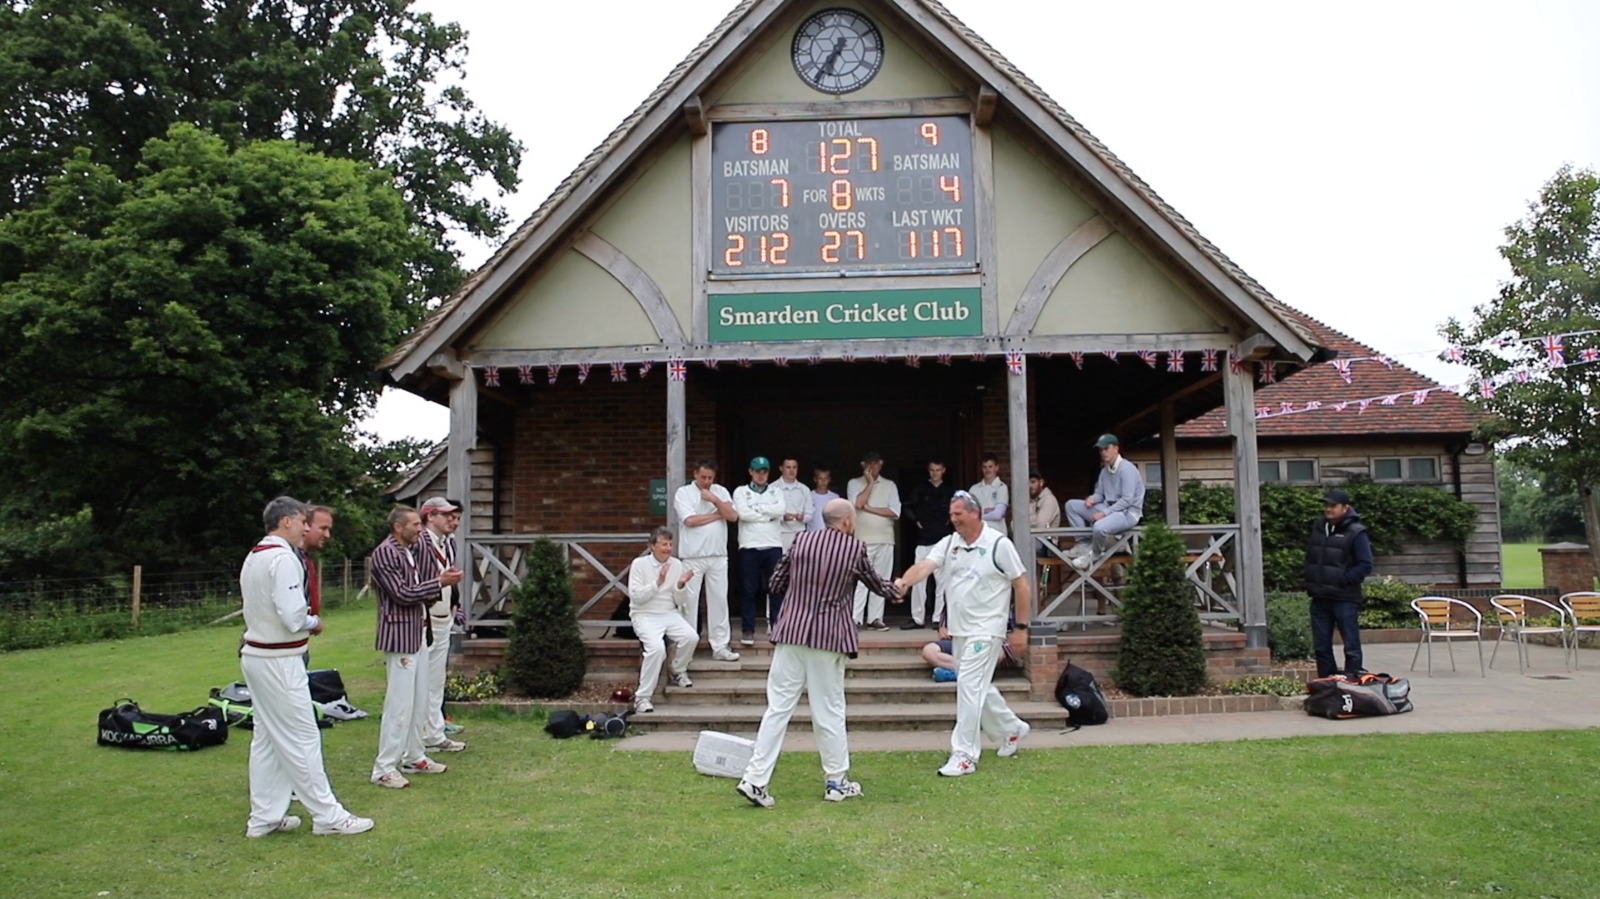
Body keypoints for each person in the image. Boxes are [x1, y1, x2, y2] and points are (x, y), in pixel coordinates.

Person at [735, 499, 899, 809]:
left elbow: (775, 583)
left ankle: (755, 779)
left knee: (777, 709)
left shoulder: (800, 540)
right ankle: (836, 782)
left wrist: (799, 602)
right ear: (848, 521)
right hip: (829, 637)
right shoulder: (854, 548)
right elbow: (878, 586)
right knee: (829, 711)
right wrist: (900, 588)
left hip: (791, 634)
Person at [238, 495, 372, 837]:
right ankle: (328, 816)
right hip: (277, 659)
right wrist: (314, 622)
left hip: (258, 656)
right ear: (286, 522)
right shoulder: (282, 558)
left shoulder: (255, 555)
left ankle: (264, 817)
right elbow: (293, 615)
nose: (305, 529)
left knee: (267, 738)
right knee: (303, 737)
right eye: (301, 522)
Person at [895, 492, 1031, 777]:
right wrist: (904, 582)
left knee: (968, 684)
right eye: (952, 513)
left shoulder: (998, 544)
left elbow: (1022, 586)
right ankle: (1012, 728)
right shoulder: (949, 543)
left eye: (958, 514)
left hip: (988, 629)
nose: (953, 519)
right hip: (959, 630)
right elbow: (925, 566)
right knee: (976, 685)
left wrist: (1020, 629)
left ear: (974, 513)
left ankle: (965, 755)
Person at [369, 506, 462, 789]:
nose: (419, 530)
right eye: (414, 525)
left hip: (420, 632)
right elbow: (402, 594)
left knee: (420, 699)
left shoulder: (410, 550)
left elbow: (418, 584)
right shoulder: (386, 552)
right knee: (399, 704)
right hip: (399, 634)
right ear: (398, 527)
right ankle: (384, 767)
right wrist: (438, 583)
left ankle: (414, 755)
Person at [673, 460, 742, 662]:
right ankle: (686, 646)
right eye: (703, 477)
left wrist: (714, 500)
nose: (706, 481)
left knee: (719, 601)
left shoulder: (720, 491)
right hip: (692, 557)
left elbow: (732, 516)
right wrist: (716, 515)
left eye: (710, 478)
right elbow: (690, 521)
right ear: (695, 474)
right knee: (689, 603)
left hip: (718, 556)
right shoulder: (683, 492)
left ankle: (720, 646)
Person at [1303, 488, 1374, 678]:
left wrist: (1343, 580)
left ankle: (1351, 680)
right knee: (1321, 646)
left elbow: (1365, 564)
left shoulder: (1356, 532)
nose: (1328, 509)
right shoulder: (1319, 528)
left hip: (1345, 598)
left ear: (1345, 507)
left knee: (1350, 644)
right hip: (1320, 597)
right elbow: (1312, 557)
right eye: (1326, 505)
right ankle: (1327, 682)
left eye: (1333, 506)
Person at [627, 527, 699, 713]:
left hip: (669, 613)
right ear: (652, 546)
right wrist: (657, 583)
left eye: (670, 544)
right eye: (663, 544)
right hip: (644, 614)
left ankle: (678, 669)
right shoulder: (639, 564)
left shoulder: (676, 564)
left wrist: (681, 585)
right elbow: (636, 597)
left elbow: (680, 601)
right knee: (656, 650)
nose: (668, 548)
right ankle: (642, 698)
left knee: (691, 637)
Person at [417, 496, 467, 755]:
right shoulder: (420, 541)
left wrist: (456, 606)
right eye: (445, 515)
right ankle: (422, 735)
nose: (452, 520)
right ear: (430, 516)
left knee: (436, 681)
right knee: (422, 680)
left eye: (454, 516)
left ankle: (435, 733)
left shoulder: (448, 543)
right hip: (424, 619)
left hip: (443, 615)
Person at [1064, 434, 1145, 566]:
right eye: (1101, 450)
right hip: (1108, 508)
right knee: (1071, 505)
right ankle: (1083, 543)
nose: (1103, 452)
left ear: (1116, 449)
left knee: (1099, 528)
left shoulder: (1128, 469)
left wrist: (1104, 513)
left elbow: (1127, 500)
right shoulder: (1104, 471)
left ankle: (1095, 554)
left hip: (1128, 513)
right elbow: (1100, 494)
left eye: (1106, 448)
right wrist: (1092, 499)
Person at [734, 456, 787, 645]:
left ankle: (777, 627)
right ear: (750, 472)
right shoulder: (740, 492)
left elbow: (780, 510)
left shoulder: (776, 491)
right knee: (749, 589)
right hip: (749, 546)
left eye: (764, 471)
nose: (761, 475)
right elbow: (742, 513)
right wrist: (767, 514)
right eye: (757, 471)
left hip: (773, 545)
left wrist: (757, 510)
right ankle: (748, 629)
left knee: (775, 587)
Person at [846, 451, 901, 630]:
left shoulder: (890, 485)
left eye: (876, 464)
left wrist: (870, 508)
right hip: (863, 539)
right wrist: (870, 483)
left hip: (885, 538)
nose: (873, 467)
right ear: (864, 466)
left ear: (881, 464)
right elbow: (858, 503)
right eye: (869, 464)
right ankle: (856, 618)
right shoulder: (854, 483)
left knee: (882, 580)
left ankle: (875, 618)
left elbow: (895, 512)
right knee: (862, 579)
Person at [901, 459, 956, 629]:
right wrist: (915, 521)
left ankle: (938, 618)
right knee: (918, 580)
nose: (935, 473)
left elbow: (958, 508)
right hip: (923, 539)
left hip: (942, 539)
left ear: (944, 470)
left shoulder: (950, 491)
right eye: (932, 470)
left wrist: (949, 520)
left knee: (942, 581)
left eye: (938, 470)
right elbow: (907, 507)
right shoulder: (920, 489)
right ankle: (917, 618)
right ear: (928, 470)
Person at [299, 504, 335, 667]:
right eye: (323, 528)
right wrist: (313, 622)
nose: (327, 535)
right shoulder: (289, 559)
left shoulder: (305, 559)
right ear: (305, 525)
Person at [774, 457, 814, 552]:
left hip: (800, 533)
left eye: (794, 467)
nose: (791, 470)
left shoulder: (804, 489)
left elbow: (810, 513)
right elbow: (768, 515)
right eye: (788, 467)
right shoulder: (772, 488)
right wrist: (783, 517)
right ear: (781, 468)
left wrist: (802, 518)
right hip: (780, 533)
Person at [969, 453, 1009, 533]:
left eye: (990, 466)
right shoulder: (973, 489)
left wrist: (979, 514)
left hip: (998, 533)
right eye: (985, 467)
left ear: (996, 468)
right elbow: (969, 512)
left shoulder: (1002, 487)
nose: (987, 470)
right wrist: (989, 512)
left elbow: (998, 514)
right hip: (979, 534)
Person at [805, 466, 839, 532]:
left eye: (825, 478)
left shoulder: (835, 497)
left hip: (829, 535)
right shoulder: (808, 496)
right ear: (815, 479)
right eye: (820, 478)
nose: (823, 481)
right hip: (812, 534)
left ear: (829, 479)